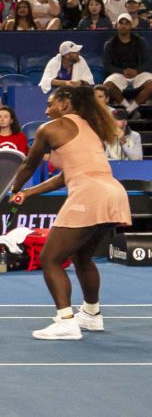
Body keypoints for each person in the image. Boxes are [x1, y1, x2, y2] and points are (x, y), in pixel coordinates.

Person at [8, 87, 132, 340]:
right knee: (82, 257)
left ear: (65, 104)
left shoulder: (50, 129)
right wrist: (29, 194)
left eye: (50, 103)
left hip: (89, 194)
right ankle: (91, 315)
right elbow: (65, 177)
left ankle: (66, 321)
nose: (45, 110)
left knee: (50, 258)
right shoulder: (91, 127)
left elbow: (28, 164)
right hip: (112, 192)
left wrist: (13, 188)